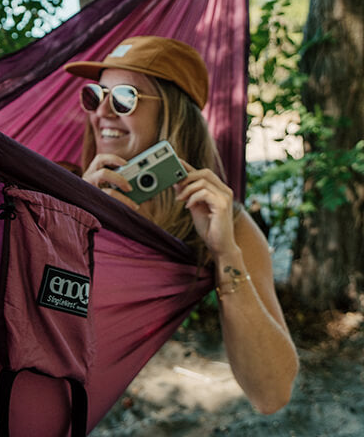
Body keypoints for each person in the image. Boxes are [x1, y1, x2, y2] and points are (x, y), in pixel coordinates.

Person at [64, 35, 298, 415]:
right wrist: (75, 218)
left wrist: (225, 254)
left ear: (173, 114)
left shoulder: (224, 220)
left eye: (124, 97)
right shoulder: (63, 188)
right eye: (95, 95)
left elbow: (271, 393)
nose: (102, 112)